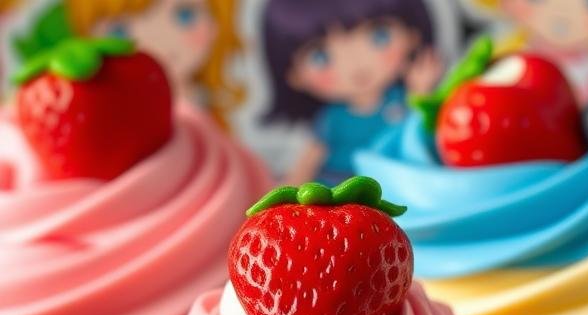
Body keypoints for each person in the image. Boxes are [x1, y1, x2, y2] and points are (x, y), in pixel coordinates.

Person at [262, 0, 443, 186]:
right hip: (340, 188)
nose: (355, 63)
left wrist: (420, 91)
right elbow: (310, 158)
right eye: (320, 56)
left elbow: (418, 133)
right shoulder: (332, 119)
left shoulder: (401, 101)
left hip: (394, 181)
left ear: (413, 35)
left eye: (379, 36)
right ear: (294, 76)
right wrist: (290, 190)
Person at [65, 0, 244, 126]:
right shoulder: (119, 118)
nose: (159, 39)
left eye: (184, 15)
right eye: (119, 31)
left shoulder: (204, 107)